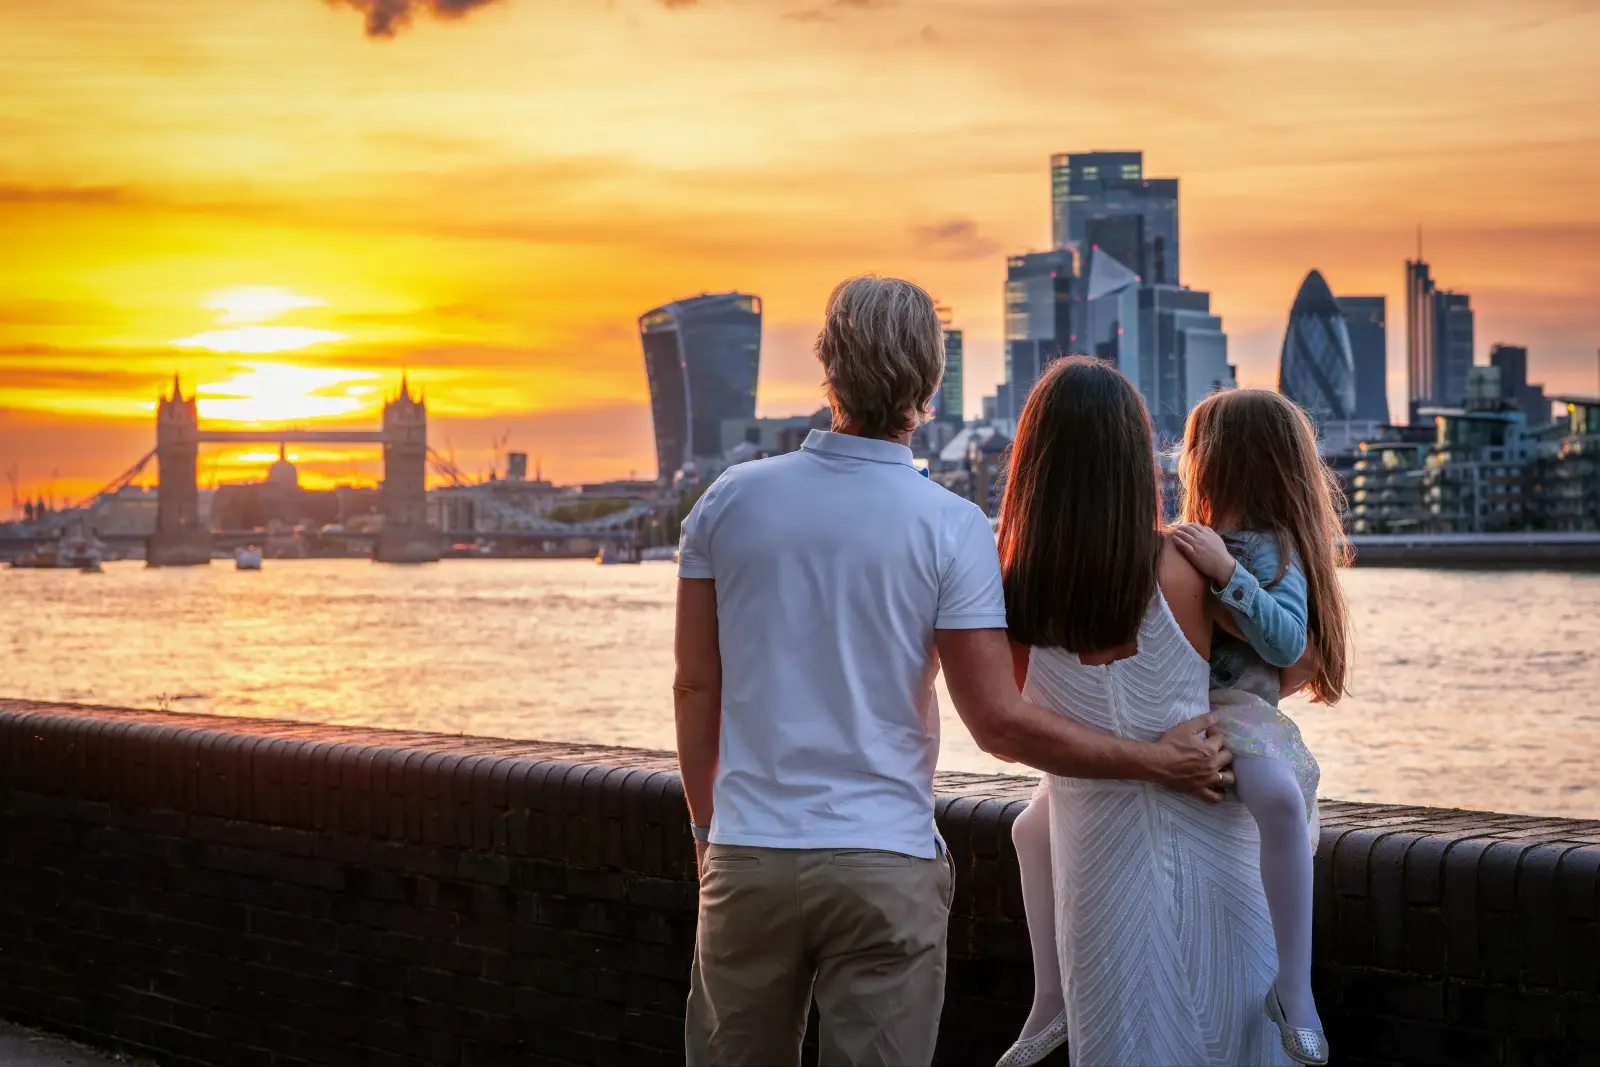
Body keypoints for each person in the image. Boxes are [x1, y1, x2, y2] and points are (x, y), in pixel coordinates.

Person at [673, 276, 1233, 1067]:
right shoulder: (951, 525)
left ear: (827, 366)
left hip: (750, 852)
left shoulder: (728, 501)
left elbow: (697, 687)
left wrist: (707, 831)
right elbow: (999, 723)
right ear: (931, 384)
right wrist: (1154, 759)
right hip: (885, 862)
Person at [994, 357, 1302, 1067]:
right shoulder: (1188, 565)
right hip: (1212, 848)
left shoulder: (1007, 588)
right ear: (1134, 459)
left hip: (1094, 871)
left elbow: (1011, 733)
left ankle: (1048, 1008)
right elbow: (1291, 663)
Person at [1166, 388, 1351, 1065]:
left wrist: (1227, 573)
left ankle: (1293, 989)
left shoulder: (1275, 553)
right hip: (1175, 715)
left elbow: (1283, 642)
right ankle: (1052, 994)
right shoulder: (1182, 539)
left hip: (1238, 714)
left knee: (1276, 796)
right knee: (1032, 822)